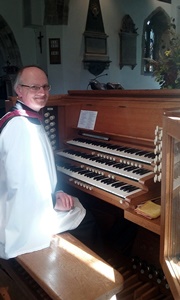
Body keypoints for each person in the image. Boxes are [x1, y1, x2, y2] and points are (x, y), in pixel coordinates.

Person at [0, 65, 103, 259]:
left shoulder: (25, 117)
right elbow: (19, 186)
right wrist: (52, 202)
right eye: (34, 87)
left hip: (27, 204)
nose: (42, 92)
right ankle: (88, 277)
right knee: (85, 218)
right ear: (19, 90)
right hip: (23, 218)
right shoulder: (19, 127)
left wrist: (57, 191)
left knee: (79, 201)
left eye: (46, 87)